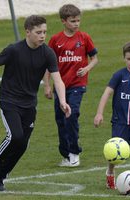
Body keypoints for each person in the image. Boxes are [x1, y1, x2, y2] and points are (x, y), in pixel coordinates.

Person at [0, 15, 71, 191]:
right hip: (9, 101)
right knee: (15, 136)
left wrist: (63, 101)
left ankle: (1, 175)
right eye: (38, 32)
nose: (42, 36)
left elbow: (58, 80)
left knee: (22, 145)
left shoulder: (48, 53)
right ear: (28, 32)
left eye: (44, 32)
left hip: (29, 105)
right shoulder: (13, 50)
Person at [43, 4, 98, 167]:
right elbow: (47, 65)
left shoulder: (84, 38)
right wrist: (46, 85)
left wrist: (86, 68)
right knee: (60, 120)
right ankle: (66, 154)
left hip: (77, 85)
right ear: (63, 21)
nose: (76, 24)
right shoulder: (55, 40)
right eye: (73, 21)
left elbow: (95, 58)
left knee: (71, 115)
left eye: (78, 20)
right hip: (60, 87)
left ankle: (75, 152)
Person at [94, 41, 130, 193]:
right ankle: (110, 173)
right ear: (124, 58)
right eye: (129, 58)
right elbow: (107, 93)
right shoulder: (119, 75)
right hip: (120, 122)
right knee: (115, 154)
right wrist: (99, 113)